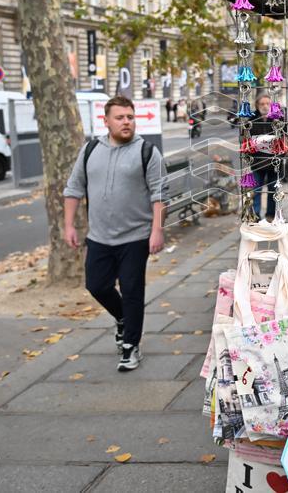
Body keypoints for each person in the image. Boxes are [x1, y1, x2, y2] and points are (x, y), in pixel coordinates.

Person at [63, 96, 164, 372]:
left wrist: (157, 231)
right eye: (120, 117)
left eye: (130, 117)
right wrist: (69, 225)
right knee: (96, 286)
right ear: (105, 121)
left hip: (136, 237)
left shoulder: (147, 152)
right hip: (99, 237)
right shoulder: (90, 150)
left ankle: (131, 346)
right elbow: (73, 189)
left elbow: (158, 195)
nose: (126, 122)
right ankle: (122, 319)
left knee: (132, 290)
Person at [250, 94, 278, 220]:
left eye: (268, 104)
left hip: (273, 162)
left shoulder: (277, 120)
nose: (265, 106)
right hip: (257, 161)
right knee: (256, 190)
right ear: (257, 106)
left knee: (273, 190)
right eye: (262, 104)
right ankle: (256, 215)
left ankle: (270, 215)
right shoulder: (252, 120)